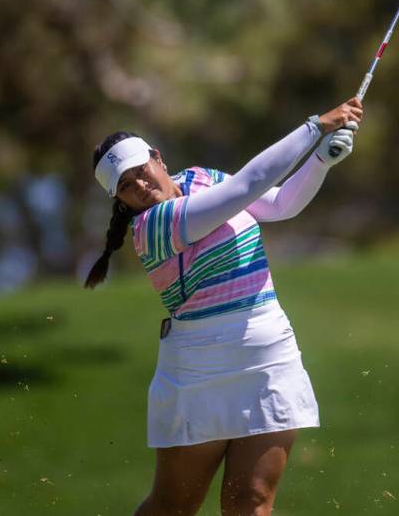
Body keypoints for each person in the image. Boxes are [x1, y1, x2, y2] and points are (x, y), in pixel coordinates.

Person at [85, 97, 363, 516]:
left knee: (249, 504)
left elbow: (280, 204)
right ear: (121, 200)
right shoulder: (154, 226)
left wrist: (320, 160)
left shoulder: (202, 178)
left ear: (157, 159)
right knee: (173, 507)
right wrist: (315, 128)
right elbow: (246, 187)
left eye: (141, 172)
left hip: (266, 357)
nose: (140, 186)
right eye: (126, 185)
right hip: (199, 373)